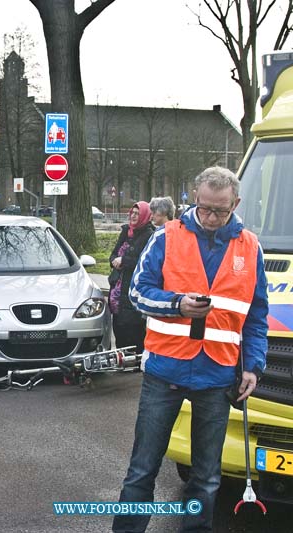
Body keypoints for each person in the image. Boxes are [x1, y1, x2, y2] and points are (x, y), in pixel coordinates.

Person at [113, 167, 269, 532]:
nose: (212, 218)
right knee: (142, 470)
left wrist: (253, 367)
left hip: (217, 375)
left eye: (221, 211)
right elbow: (137, 291)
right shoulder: (166, 237)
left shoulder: (250, 247)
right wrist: (177, 305)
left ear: (236, 204)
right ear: (194, 198)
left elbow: (257, 316)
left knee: (206, 477)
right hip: (164, 370)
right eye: (205, 209)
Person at [108, 201, 154, 353]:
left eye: (137, 213)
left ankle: (134, 359)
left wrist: (124, 261)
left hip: (132, 285)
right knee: (118, 322)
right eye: (132, 213)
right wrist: (114, 260)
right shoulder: (126, 231)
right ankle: (121, 356)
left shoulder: (149, 235)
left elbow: (144, 261)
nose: (133, 216)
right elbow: (113, 253)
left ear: (144, 216)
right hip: (117, 287)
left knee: (132, 325)